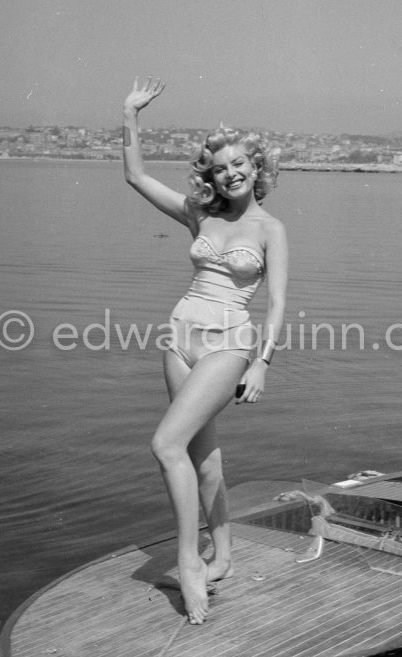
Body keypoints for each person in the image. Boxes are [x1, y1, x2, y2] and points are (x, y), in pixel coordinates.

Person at [123, 76, 288, 624]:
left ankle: (188, 562)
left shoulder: (270, 229)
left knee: (166, 444)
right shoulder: (200, 214)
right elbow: (136, 176)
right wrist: (130, 115)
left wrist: (262, 362)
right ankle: (225, 553)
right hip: (180, 337)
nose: (231, 172)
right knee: (203, 459)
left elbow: (278, 303)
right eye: (220, 167)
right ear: (210, 175)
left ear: (257, 168)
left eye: (241, 163)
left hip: (230, 344)